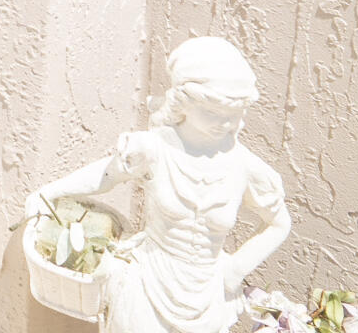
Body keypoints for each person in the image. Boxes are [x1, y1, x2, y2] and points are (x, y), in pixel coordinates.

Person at [31, 37, 293, 333]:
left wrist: (235, 270)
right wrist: (49, 193)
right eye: (214, 112)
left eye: (234, 115)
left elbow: (279, 224)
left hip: (207, 299)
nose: (225, 123)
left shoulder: (245, 167)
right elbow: (106, 176)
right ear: (184, 102)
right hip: (147, 287)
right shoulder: (156, 148)